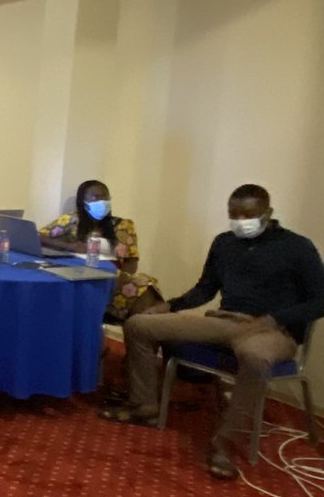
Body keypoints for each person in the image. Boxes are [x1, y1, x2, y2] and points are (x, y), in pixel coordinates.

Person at [102, 184, 324, 480]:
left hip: (272, 330)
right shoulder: (224, 243)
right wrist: (170, 306)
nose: (240, 221)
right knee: (139, 324)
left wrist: (275, 319)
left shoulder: (297, 247)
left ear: (268, 213)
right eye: (234, 214)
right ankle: (145, 405)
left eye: (248, 214)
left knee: (254, 356)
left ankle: (226, 443)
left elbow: (319, 300)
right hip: (224, 320)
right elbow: (205, 289)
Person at [39, 179, 163, 321]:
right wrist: (71, 247)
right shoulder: (71, 220)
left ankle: (142, 326)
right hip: (78, 273)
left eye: (105, 197)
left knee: (145, 284)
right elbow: (39, 237)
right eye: (95, 197)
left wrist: (120, 279)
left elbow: (131, 262)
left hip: (112, 278)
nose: (102, 202)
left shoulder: (123, 225)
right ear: (83, 201)